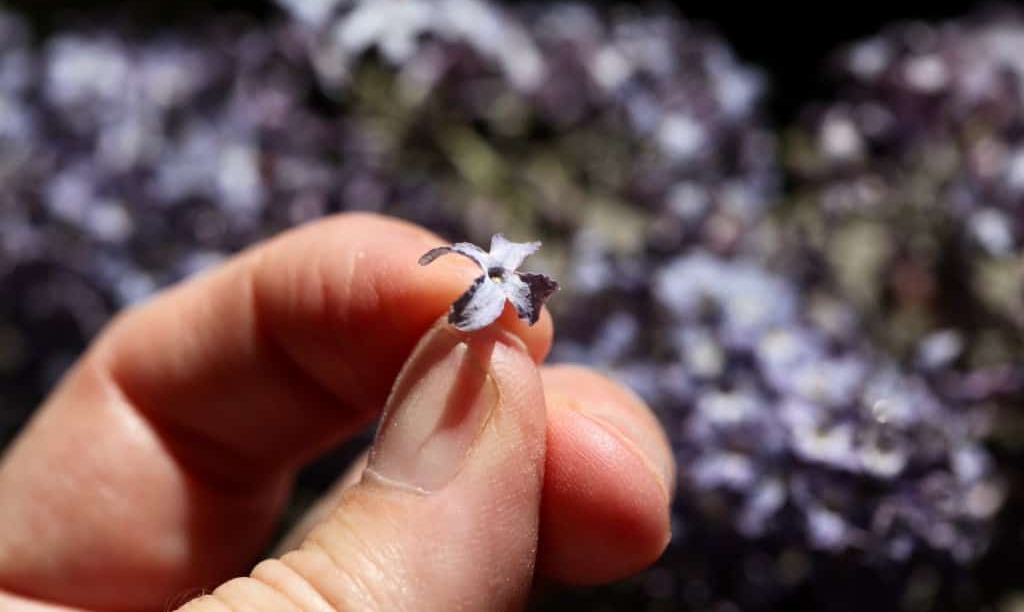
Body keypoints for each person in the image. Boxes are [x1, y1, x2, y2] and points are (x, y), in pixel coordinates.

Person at [0, 214, 675, 611]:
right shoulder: (472, 278)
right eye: (491, 274)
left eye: (502, 276)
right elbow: (446, 261)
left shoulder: (499, 285)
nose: (496, 276)